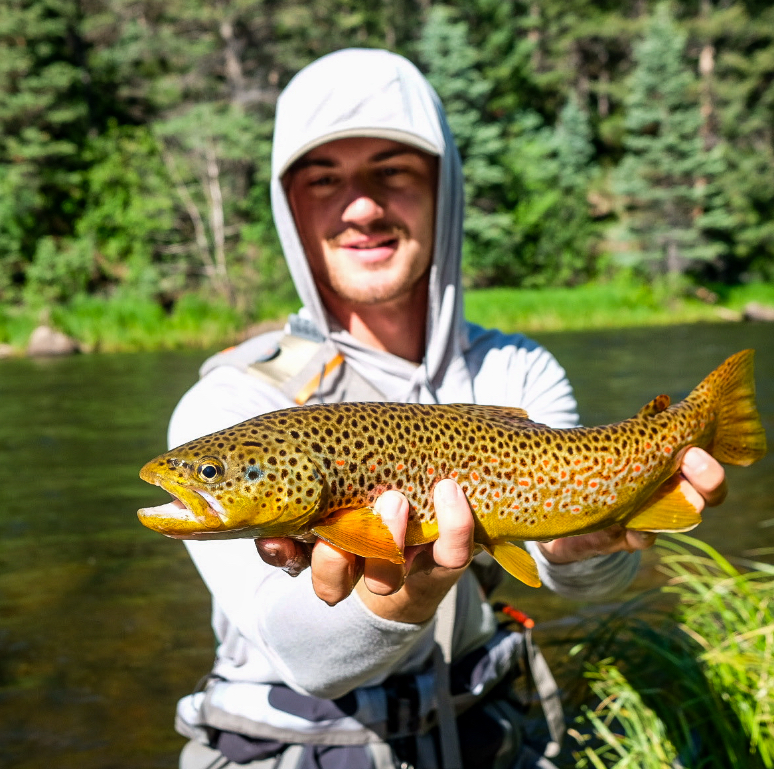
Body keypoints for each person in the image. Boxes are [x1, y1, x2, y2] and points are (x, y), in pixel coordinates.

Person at [162, 48, 727, 769]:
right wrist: (389, 606)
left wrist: (586, 548)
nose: (361, 206)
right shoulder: (235, 403)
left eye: (392, 173)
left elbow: (569, 568)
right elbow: (300, 656)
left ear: (443, 189)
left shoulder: (515, 370)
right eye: (324, 179)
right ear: (290, 207)